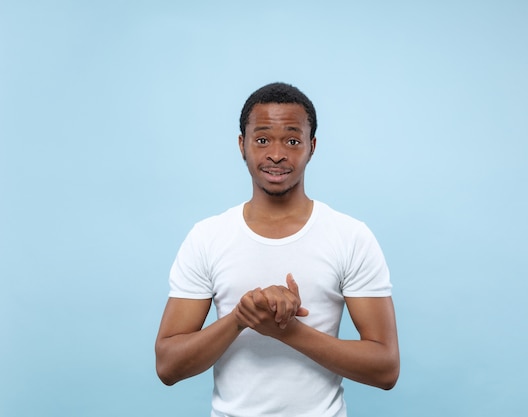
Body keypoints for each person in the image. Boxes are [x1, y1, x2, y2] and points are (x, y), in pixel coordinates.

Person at [155, 82, 399, 417]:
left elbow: (386, 369)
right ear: (242, 145)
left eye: (293, 140)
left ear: (312, 147)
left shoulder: (350, 236)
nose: (276, 154)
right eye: (262, 139)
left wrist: (288, 331)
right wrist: (241, 318)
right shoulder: (207, 237)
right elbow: (168, 366)